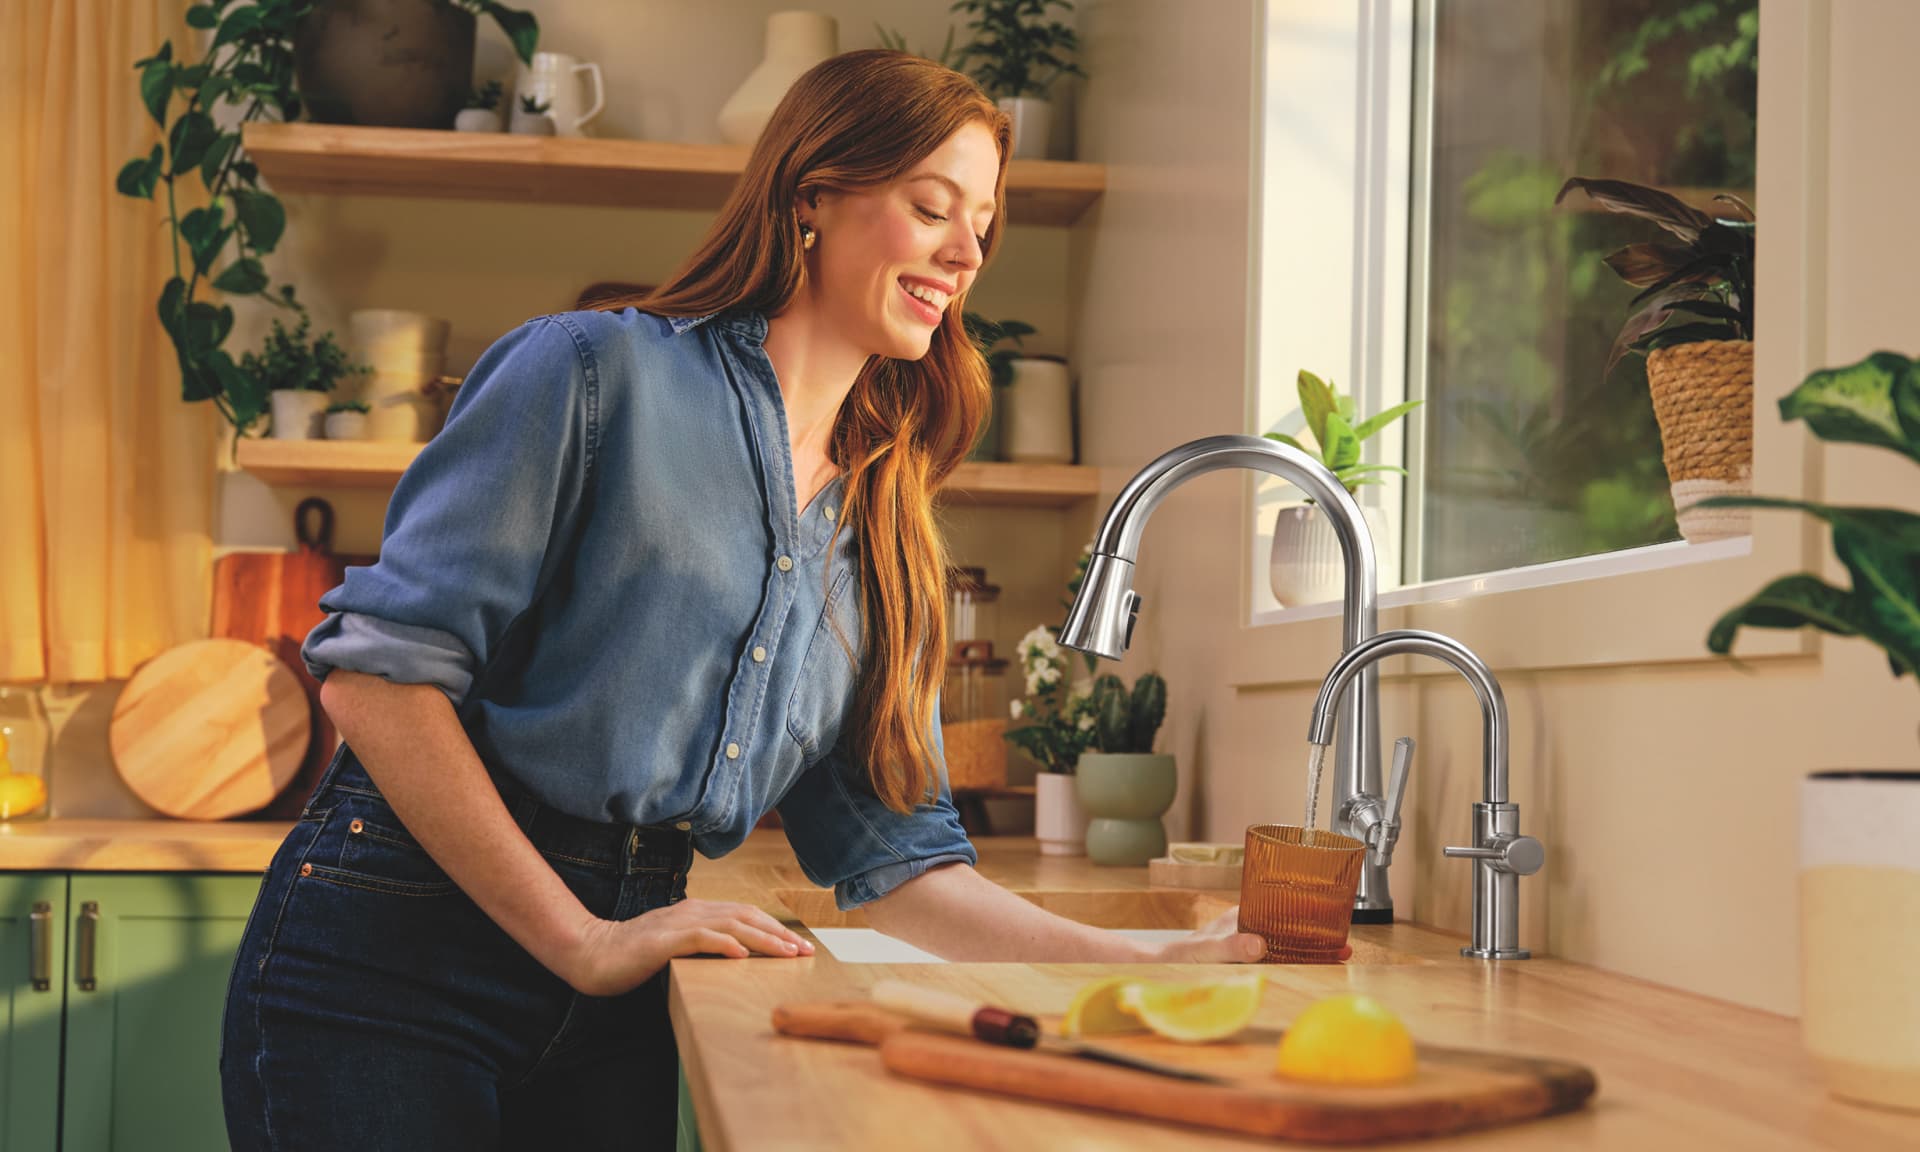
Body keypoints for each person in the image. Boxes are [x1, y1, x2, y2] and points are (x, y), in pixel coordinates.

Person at [219, 50, 1270, 1152]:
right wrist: (579, 936)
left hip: (626, 981)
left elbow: (898, 862)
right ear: (814, 194)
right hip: (393, 960)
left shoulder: (889, 520)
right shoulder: (589, 373)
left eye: (984, 224)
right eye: (931, 207)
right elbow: (377, 681)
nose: (966, 252)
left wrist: (1159, 962)